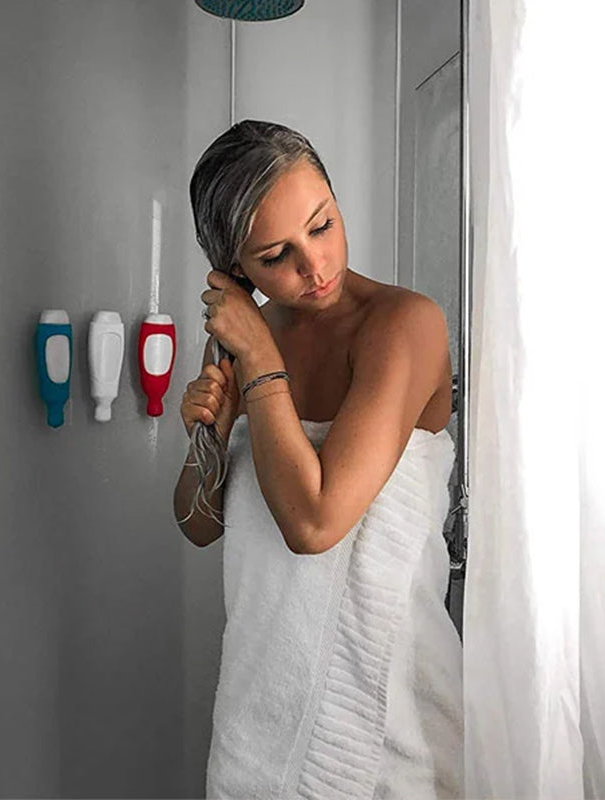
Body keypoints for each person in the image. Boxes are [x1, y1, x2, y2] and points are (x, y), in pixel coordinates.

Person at [172, 120, 463, 799]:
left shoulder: (404, 324)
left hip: (389, 724)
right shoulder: (242, 338)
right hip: (260, 724)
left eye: (322, 225)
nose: (315, 266)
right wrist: (209, 433)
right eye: (277, 255)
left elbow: (314, 523)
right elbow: (198, 524)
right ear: (236, 270)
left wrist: (261, 363)